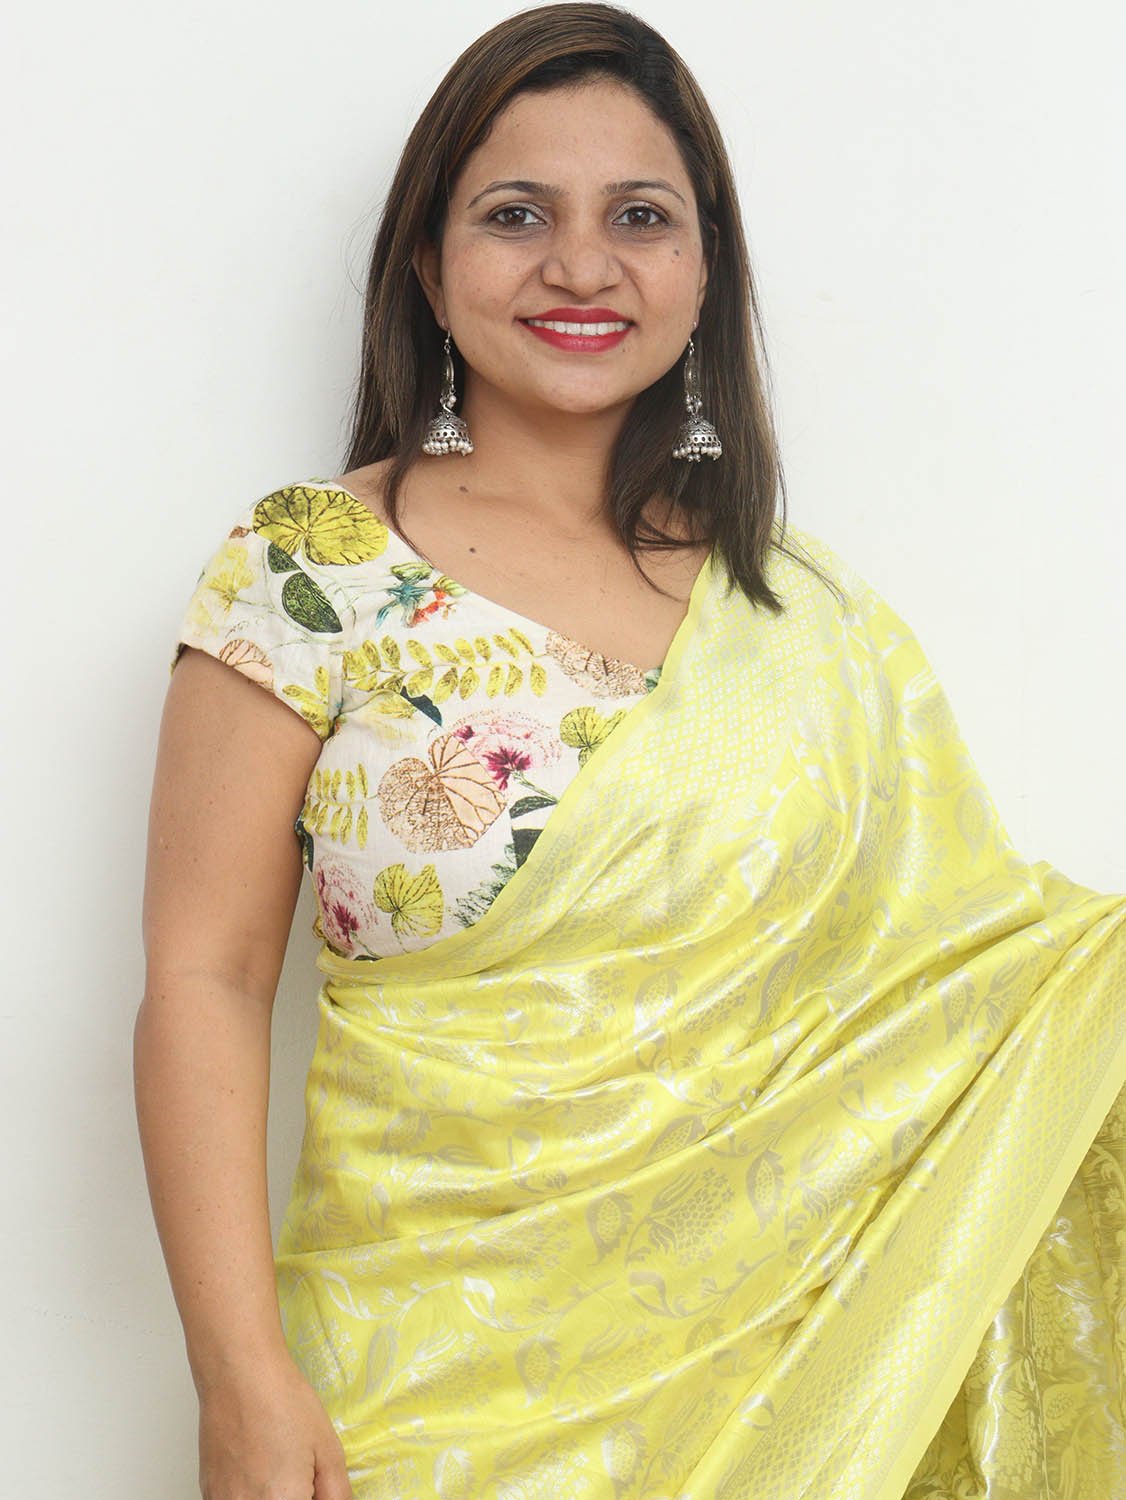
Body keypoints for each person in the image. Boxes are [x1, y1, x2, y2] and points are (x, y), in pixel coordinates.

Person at [135, 5, 1126, 1498]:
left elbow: (977, 990)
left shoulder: (803, 615)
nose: (581, 266)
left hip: (777, 1388)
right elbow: (204, 981)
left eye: (640, 217)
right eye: (515, 215)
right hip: (409, 1388)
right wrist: (238, 1374)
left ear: (704, 269)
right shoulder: (313, 568)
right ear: (428, 265)